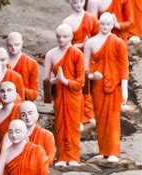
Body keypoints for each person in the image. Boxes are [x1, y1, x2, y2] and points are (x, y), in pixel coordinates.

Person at [83, 12, 129, 162]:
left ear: (112, 24)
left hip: (114, 86)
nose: (105, 27)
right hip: (98, 86)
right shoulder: (90, 43)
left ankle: (114, 152)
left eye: (108, 24)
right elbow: (85, 68)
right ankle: (103, 151)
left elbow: (123, 67)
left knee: (113, 119)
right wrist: (91, 76)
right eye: (102, 23)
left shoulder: (118, 43)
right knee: (101, 118)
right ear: (98, 24)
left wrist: (124, 89)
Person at [44, 23, 85, 166]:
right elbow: (46, 80)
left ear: (71, 37)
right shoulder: (50, 54)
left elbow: (81, 81)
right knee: (60, 125)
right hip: (59, 95)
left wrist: (66, 81)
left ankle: (73, 157)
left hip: (73, 95)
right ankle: (62, 157)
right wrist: (55, 80)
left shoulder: (77, 54)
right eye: (58, 37)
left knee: (73, 125)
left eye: (65, 36)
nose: (61, 40)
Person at [63, 0, 99, 128]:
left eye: (81, 1)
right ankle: (78, 117)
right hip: (73, 58)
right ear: (70, 3)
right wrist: (82, 45)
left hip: (89, 58)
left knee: (89, 88)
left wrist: (90, 45)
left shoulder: (91, 18)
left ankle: (90, 115)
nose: (78, 5)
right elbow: (65, 44)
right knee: (77, 88)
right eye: (75, 2)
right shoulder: (67, 22)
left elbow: (98, 38)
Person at [6, 31, 40, 101]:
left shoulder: (32, 63)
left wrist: (18, 90)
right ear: (6, 45)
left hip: (23, 104)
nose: (13, 48)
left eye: (17, 45)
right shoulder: (1, 61)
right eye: (10, 45)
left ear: (22, 44)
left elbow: (34, 94)